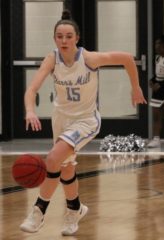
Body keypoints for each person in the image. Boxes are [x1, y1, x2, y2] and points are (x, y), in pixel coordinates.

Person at [20, 10, 146, 236]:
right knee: (66, 168)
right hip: (61, 119)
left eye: (69, 36)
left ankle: (38, 211)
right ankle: (75, 209)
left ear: (77, 38)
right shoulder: (52, 59)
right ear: (54, 38)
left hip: (85, 120)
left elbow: (127, 58)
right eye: (59, 36)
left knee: (53, 158)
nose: (64, 40)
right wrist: (30, 110)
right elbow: (32, 89)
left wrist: (135, 87)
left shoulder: (89, 59)